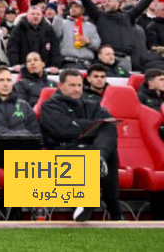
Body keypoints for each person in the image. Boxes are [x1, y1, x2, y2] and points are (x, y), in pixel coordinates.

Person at [39, 69, 123, 221]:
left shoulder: (93, 104)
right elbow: (62, 130)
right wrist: (94, 126)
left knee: (109, 129)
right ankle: (115, 213)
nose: (77, 89)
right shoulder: (49, 105)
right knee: (103, 150)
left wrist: (82, 126)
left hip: (90, 148)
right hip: (63, 149)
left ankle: (100, 159)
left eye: (79, 85)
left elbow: (109, 122)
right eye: (72, 85)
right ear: (60, 85)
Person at [79, 0, 158, 72]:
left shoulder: (128, 16)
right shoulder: (99, 16)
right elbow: (87, 2)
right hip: (105, 59)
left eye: (109, 1)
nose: (106, 3)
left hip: (126, 59)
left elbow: (143, 4)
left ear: (118, 3)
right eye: (104, 2)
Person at [52, 1, 101, 69]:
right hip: (68, 62)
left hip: (87, 64)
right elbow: (55, 36)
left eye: (76, 7)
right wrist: (59, 15)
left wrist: (89, 42)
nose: (73, 9)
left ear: (83, 10)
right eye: (71, 7)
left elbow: (97, 45)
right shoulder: (63, 23)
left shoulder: (91, 26)